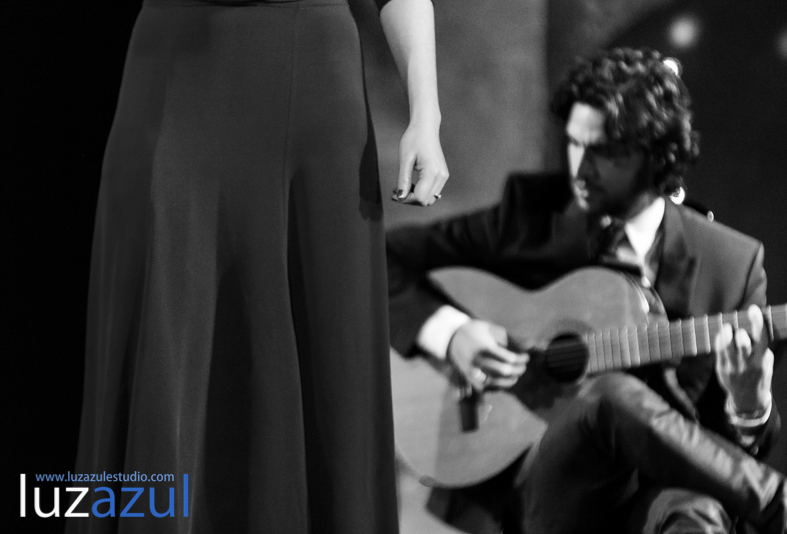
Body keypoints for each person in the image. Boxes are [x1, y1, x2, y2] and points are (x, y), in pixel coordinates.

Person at [68, 0, 448, 532]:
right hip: (178, 76)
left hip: (316, 87)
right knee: (166, 343)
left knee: (328, 362)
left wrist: (426, 113)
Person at [387, 47, 786, 533]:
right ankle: (779, 505)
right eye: (575, 144)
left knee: (698, 517)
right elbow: (386, 260)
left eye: (604, 154)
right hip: (546, 485)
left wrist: (749, 405)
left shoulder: (731, 264)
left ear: (657, 157)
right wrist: (452, 335)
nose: (579, 169)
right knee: (608, 395)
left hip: (658, 493)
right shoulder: (532, 219)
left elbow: (728, 448)